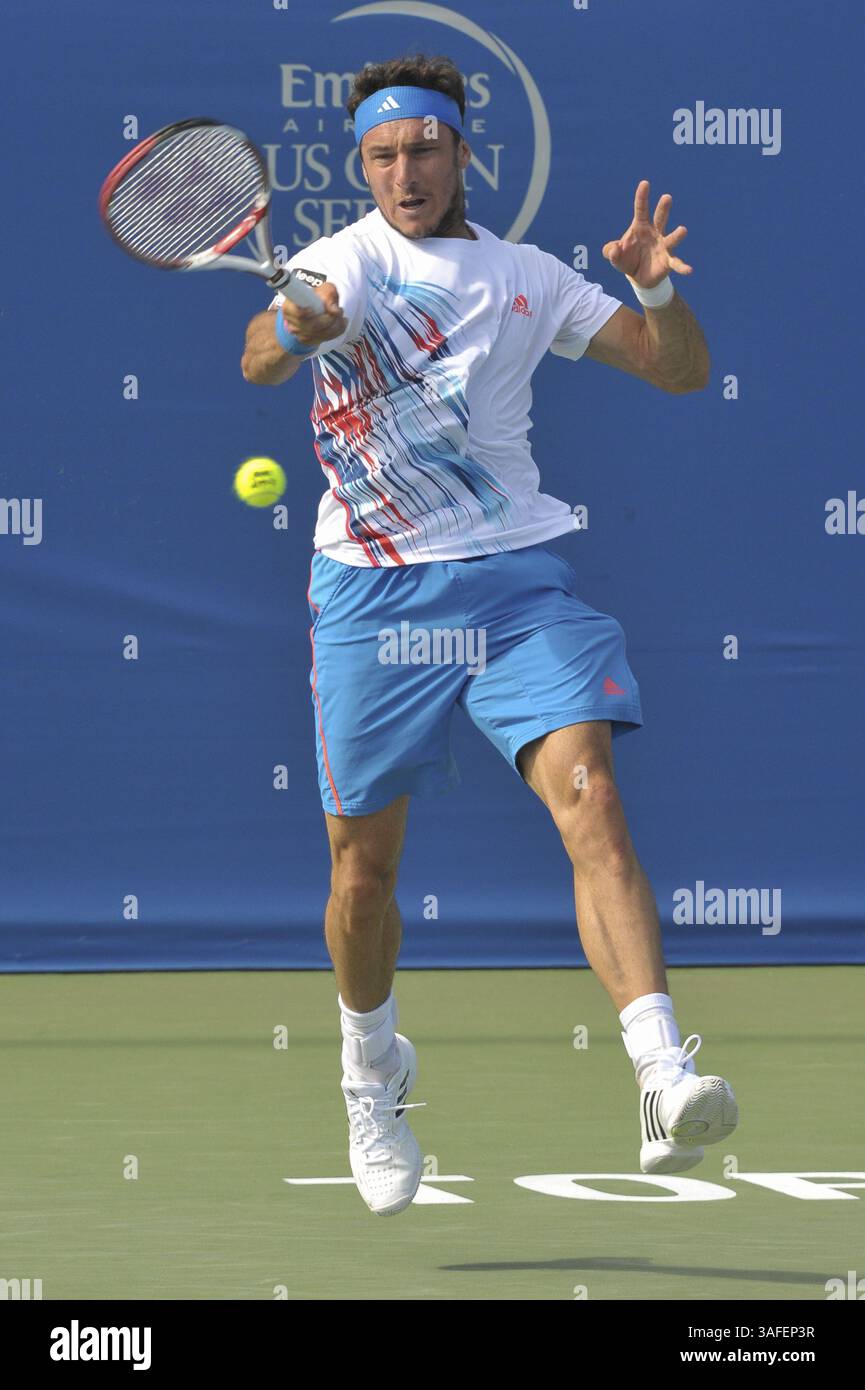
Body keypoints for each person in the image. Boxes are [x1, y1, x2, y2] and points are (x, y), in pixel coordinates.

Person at [241, 53, 738, 1217]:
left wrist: (658, 293)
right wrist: (293, 318)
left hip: (515, 582)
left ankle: (661, 1072)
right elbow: (261, 354)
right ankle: (372, 1071)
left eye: (422, 149)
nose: (404, 173)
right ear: (360, 167)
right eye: (380, 156)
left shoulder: (530, 277)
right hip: (371, 589)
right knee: (363, 874)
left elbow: (679, 373)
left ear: (464, 155)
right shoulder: (343, 261)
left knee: (594, 800)